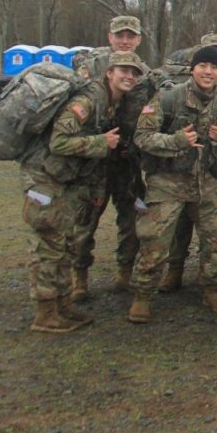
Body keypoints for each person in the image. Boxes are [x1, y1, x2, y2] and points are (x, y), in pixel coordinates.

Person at [20, 52, 145, 332]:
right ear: (109, 72)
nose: (130, 76)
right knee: (48, 248)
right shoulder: (88, 100)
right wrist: (101, 142)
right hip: (45, 179)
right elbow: (58, 143)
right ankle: (45, 314)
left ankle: (62, 306)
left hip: (63, 181)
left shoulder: (110, 103)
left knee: (63, 245)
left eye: (135, 72)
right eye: (124, 70)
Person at [128, 46, 217, 322]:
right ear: (193, 69)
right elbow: (142, 136)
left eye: (214, 68)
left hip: (205, 180)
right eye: (203, 66)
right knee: (154, 242)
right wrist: (175, 141)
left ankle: (210, 286)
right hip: (168, 181)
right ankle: (142, 295)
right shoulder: (167, 97)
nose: (208, 72)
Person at [69, 15, 149, 300]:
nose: (125, 41)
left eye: (131, 36)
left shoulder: (145, 74)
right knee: (85, 219)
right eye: (120, 35)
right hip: (94, 161)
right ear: (110, 37)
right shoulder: (91, 67)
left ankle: (124, 272)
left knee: (131, 219)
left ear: (139, 39)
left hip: (128, 162)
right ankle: (79, 277)